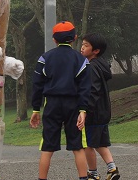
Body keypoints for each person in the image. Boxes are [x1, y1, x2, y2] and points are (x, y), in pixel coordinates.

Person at [30, 21, 91, 180]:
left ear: (54, 40)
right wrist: (83, 111)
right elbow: (85, 87)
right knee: (78, 147)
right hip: (74, 105)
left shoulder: (45, 58)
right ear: (75, 38)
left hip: (52, 104)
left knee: (47, 147)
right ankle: (83, 178)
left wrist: (36, 109)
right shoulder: (81, 60)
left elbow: (37, 85)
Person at [80, 33, 120, 180]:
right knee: (101, 143)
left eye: (86, 45)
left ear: (95, 50)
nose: (82, 48)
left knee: (88, 144)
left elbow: (92, 91)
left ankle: (93, 173)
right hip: (103, 112)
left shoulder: (91, 67)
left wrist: (84, 111)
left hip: (93, 113)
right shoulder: (101, 65)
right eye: (82, 44)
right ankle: (112, 169)